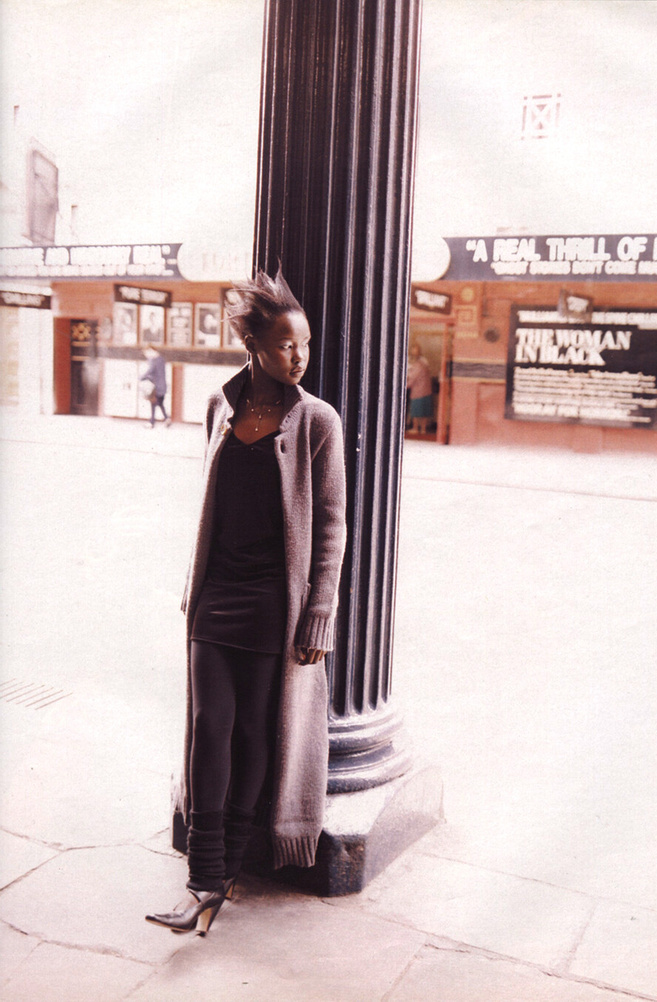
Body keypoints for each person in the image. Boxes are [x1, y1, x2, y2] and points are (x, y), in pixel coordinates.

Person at [146, 270, 346, 936]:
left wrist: (319, 613)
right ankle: (203, 876)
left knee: (254, 734)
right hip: (216, 595)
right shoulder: (219, 407)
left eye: (305, 344)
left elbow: (332, 526)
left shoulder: (317, 421)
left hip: (273, 605)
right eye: (288, 344)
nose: (301, 356)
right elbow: (213, 505)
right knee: (209, 727)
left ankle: (219, 875)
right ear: (254, 344)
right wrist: (195, 583)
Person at [406, 341, 434, 435]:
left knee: (417, 410)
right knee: (423, 411)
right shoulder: (420, 362)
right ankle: (423, 429)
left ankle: (415, 428)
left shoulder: (420, 363)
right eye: (413, 351)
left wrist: (404, 386)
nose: (414, 353)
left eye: (416, 351)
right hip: (425, 390)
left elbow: (413, 378)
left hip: (418, 390)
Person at [139, 346, 171, 428]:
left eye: (147, 353)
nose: (147, 355)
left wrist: (141, 377)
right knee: (160, 403)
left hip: (156, 386)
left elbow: (150, 371)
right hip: (163, 385)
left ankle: (151, 423)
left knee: (153, 403)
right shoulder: (161, 359)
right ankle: (166, 418)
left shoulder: (154, 360)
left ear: (151, 351)